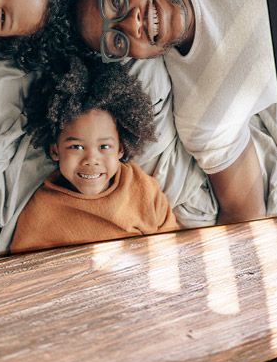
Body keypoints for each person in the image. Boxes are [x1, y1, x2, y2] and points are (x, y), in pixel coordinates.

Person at [71, 0, 277, 224]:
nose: (132, 24)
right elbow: (244, 215)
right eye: (119, 42)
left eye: (117, 1)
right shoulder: (201, 116)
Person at [10, 57, 181, 253]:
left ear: (121, 149)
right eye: (76, 147)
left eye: (104, 147)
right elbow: (26, 271)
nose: (91, 159)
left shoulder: (142, 189)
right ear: (55, 150)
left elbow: (170, 247)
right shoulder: (42, 210)